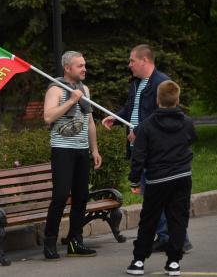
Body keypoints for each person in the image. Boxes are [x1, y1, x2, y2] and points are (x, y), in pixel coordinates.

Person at [101, 44, 192, 253]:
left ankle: (172, 237)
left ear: (145, 60)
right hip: (139, 147)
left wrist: (141, 131)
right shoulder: (136, 84)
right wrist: (115, 118)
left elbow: (162, 115)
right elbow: (131, 109)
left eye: (132, 60)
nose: (129, 64)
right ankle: (170, 237)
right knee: (154, 197)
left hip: (155, 149)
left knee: (156, 197)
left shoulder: (162, 83)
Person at [125, 80, 197, 276]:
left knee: (149, 219)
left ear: (157, 100)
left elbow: (138, 156)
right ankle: (174, 262)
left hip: (157, 180)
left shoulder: (145, 127)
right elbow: (191, 138)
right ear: (178, 99)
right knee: (178, 219)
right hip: (182, 176)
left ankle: (139, 261)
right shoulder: (187, 122)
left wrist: (134, 180)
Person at [42, 51, 102, 260]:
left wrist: (94, 149)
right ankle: (49, 242)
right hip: (62, 150)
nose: (84, 69)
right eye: (80, 66)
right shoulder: (56, 89)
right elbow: (48, 116)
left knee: (81, 197)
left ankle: (76, 242)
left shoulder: (84, 89)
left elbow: (90, 122)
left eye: (84, 65)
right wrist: (71, 101)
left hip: (81, 150)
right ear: (67, 68)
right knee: (60, 196)